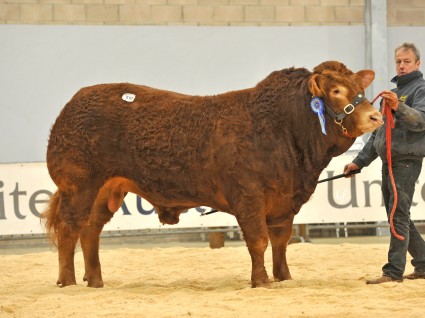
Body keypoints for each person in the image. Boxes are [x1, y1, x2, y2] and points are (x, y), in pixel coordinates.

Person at [344, 42, 425, 284]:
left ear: (417, 64)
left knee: (397, 214)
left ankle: (393, 272)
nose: (401, 65)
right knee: (397, 213)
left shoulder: (420, 89)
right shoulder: (391, 94)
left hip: (406, 160)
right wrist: (359, 162)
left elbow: (421, 121)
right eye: (398, 61)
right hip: (390, 160)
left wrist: (398, 107)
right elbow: (378, 134)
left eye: (406, 61)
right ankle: (423, 263)